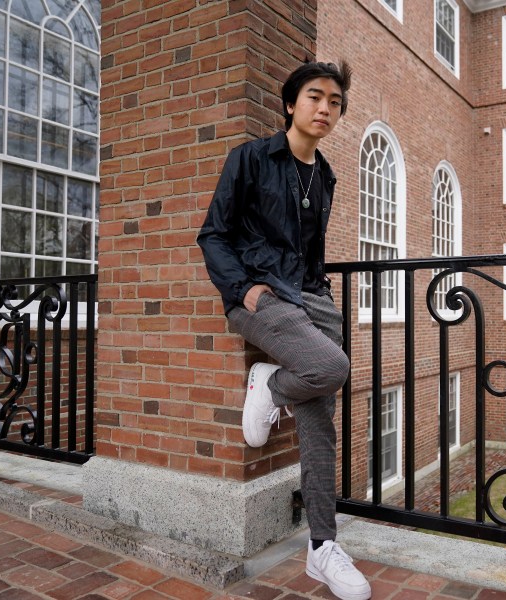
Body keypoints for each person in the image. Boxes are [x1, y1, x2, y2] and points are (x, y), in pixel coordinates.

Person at [196, 61, 371, 600]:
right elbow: (213, 235)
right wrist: (241, 289)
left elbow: (311, 252)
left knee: (321, 425)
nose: (325, 108)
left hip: (312, 301)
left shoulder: (326, 176)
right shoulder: (249, 159)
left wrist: (322, 300)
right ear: (291, 104)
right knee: (331, 368)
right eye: (315, 97)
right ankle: (271, 385)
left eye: (335, 102)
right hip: (261, 297)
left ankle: (322, 548)